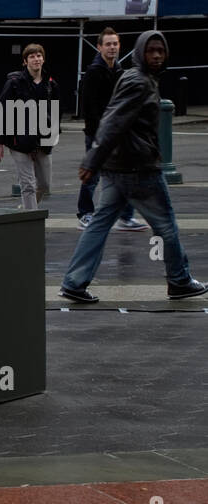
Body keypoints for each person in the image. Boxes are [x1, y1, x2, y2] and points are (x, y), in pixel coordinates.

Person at [59, 31, 206, 303]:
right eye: (151, 51)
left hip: (118, 168)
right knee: (166, 225)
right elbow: (113, 120)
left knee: (100, 224)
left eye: (161, 51)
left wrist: (98, 159)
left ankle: (74, 282)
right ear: (140, 52)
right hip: (138, 168)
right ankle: (179, 280)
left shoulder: (134, 77)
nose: (157, 55)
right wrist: (92, 159)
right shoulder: (139, 81)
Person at [78, 29, 144, 232]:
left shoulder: (119, 69)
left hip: (118, 133)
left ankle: (126, 216)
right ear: (99, 47)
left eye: (115, 44)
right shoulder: (93, 72)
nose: (112, 48)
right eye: (108, 44)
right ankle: (85, 213)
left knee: (127, 173)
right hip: (97, 133)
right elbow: (89, 107)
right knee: (93, 175)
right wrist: (100, 132)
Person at [0, 43, 57, 210]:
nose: (36, 59)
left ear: (44, 59)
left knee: (44, 185)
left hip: (43, 140)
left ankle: (27, 210)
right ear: (25, 61)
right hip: (19, 140)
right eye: (32, 56)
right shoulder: (14, 83)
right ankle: (30, 217)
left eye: (39, 56)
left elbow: (56, 111)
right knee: (27, 185)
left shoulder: (50, 84)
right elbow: (2, 111)